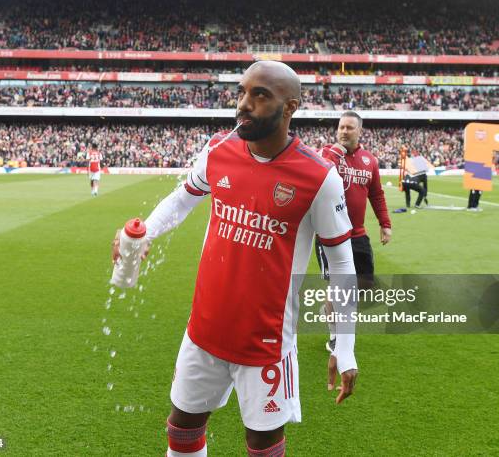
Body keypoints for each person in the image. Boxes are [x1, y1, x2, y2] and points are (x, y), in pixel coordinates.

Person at [113, 61, 358, 456]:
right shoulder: (218, 150)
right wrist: (146, 234)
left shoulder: (319, 177)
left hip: (266, 343)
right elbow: (182, 198)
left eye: (260, 95)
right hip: (204, 329)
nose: (244, 104)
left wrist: (344, 346)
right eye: (242, 92)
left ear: (290, 107)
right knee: (182, 428)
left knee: (262, 446)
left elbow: (343, 264)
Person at [317, 111, 392, 352]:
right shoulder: (327, 154)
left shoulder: (369, 161)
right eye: (341, 127)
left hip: (357, 233)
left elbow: (377, 194)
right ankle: (335, 335)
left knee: (366, 282)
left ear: (360, 131)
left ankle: (328, 308)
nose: (344, 132)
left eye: (349, 128)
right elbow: (316, 177)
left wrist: (385, 223)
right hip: (330, 233)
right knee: (338, 287)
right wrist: (334, 153)